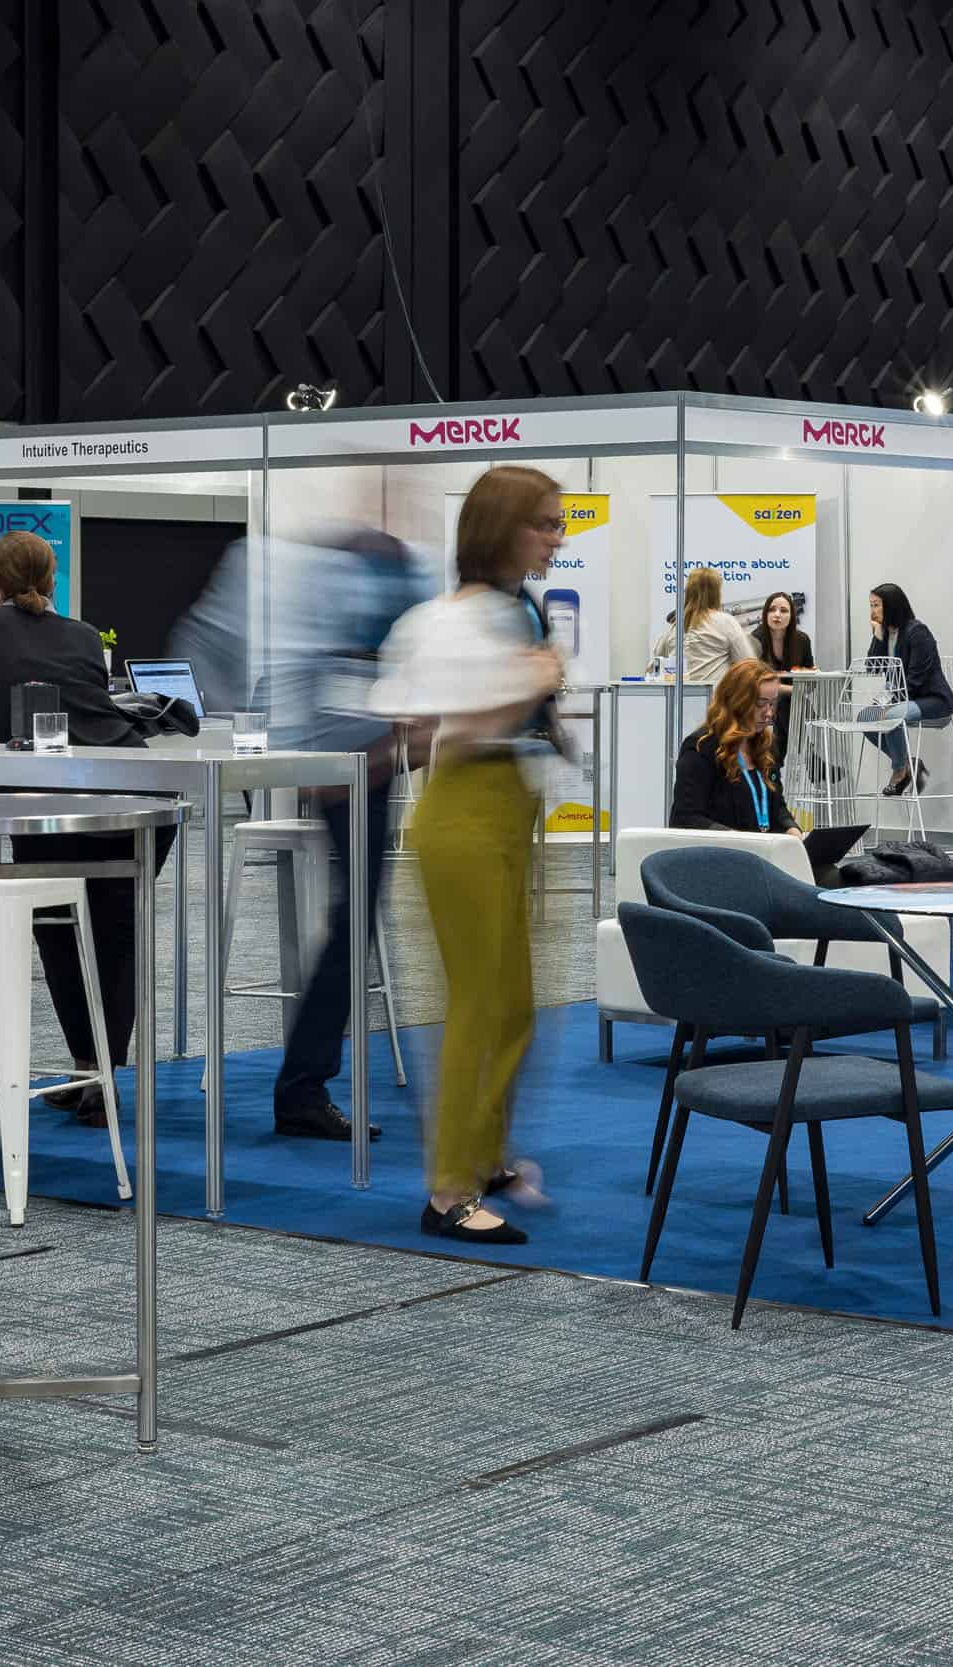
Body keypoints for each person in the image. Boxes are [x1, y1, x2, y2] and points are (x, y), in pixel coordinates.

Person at [373, 464, 565, 1246]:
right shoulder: (455, 618)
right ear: (504, 529)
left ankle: (485, 1158)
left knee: (515, 1003)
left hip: (509, 807)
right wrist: (526, 683)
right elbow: (423, 728)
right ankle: (448, 1189)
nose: (558, 536)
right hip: (464, 813)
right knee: (476, 1006)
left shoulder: (516, 609)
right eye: (545, 523)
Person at [0, 532, 179, 1121]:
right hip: (135, 791)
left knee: (58, 934)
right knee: (114, 935)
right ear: (51, 581)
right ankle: (98, 1076)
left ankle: (90, 1070)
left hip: (48, 801)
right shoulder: (81, 634)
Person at [268, 527, 432, 1142]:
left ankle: (304, 1085)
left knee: (352, 929)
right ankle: (302, 1088)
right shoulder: (345, 631)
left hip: (358, 774)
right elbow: (352, 735)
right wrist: (392, 748)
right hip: (351, 780)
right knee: (350, 930)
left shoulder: (348, 629)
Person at [672, 660, 805, 843]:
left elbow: (777, 807)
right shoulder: (700, 748)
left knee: (831, 870)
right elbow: (686, 819)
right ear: (737, 702)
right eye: (761, 704)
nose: (769, 713)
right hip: (724, 857)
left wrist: (792, 830)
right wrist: (739, 840)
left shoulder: (765, 745)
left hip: (765, 854)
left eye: (772, 704)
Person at [862, 583, 953, 796]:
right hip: (903, 698)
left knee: (891, 716)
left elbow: (917, 680)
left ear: (892, 606)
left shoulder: (917, 632)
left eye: (876, 605)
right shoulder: (886, 633)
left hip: (933, 699)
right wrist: (877, 637)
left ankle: (899, 772)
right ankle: (909, 765)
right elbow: (873, 667)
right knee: (865, 717)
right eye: (870, 606)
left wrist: (889, 702)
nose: (872, 611)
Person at [650, 566, 755, 686]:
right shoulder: (726, 622)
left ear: (688, 591)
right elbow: (748, 665)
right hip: (714, 699)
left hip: (679, 700)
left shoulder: (675, 626)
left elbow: (654, 666)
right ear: (716, 592)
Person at [751, 591, 814, 761]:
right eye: (772, 610)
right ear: (765, 614)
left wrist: (809, 678)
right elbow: (754, 682)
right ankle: (812, 760)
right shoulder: (755, 639)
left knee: (788, 706)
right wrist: (792, 690)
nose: (777, 614)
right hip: (759, 700)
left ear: (792, 615)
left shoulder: (802, 640)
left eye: (784, 610)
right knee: (789, 704)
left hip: (792, 702)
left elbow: (809, 677)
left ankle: (773, 766)